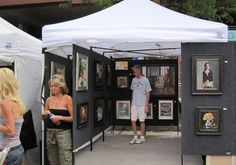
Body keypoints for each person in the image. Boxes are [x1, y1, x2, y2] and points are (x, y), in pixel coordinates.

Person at [42, 74, 73, 165]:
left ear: (61, 86)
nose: (52, 88)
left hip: (63, 133)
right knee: (53, 160)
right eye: (51, 86)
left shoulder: (67, 99)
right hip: (50, 133)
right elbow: (45, 116)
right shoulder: (49, 100)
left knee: (65, 159)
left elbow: (73, 118)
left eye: (55, 86)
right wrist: (44, 115)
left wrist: (60, 117)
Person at [0, 68, 25, 165]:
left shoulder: (5, 103)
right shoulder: (16, 102)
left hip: (7, 151)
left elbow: (11, 131)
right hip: (15, 149)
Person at [130, 65, 152, 144]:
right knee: (133, 120)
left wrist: (146, 106)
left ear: (138, 71)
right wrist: (132, 103)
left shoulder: (145, 80)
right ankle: (135, 137)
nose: (133, 73)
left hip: (142, 104)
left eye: (134, 71)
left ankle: (142, 137)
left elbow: (148, 94)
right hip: (134, 104)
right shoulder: (133, 80)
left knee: (142, 121)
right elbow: (133, 92)